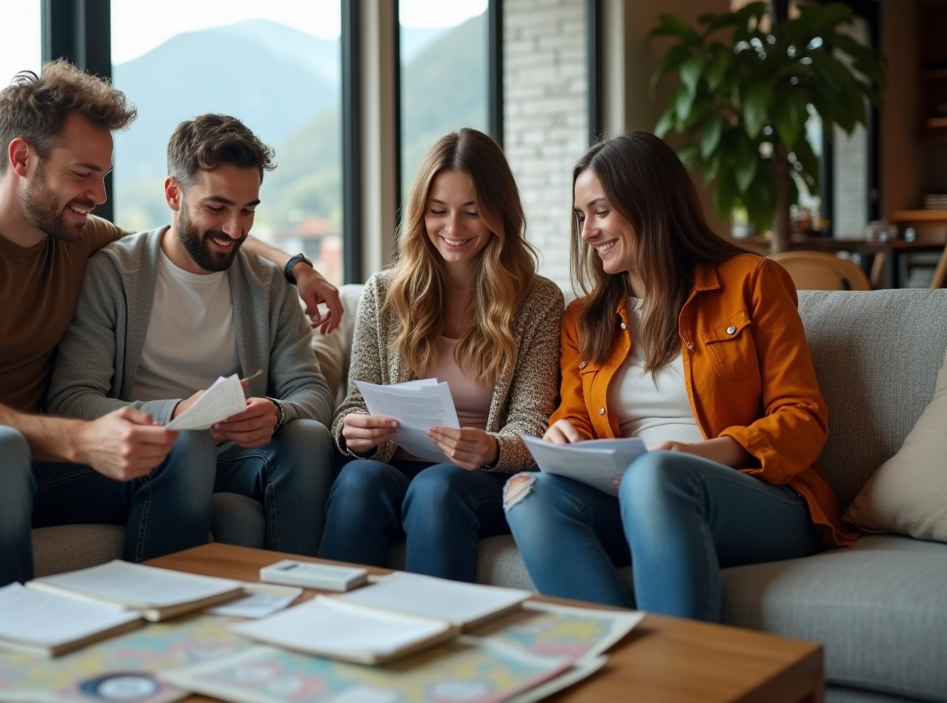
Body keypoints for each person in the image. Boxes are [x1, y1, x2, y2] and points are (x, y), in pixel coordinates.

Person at [0, 61, 343, 599]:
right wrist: (83, 438)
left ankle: (162, 634)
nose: (98, 193)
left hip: (33, 467)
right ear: (22, 158)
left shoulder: (76, 236)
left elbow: (203, 231)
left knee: (178, 446)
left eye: (103, 175)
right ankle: (14, 660)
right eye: (83, 174)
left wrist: (297, 268)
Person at [503, 130, 857, 622]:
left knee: (656, 473)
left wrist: (704, 454)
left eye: (601, 212)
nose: (587, 232)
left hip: (755, 495)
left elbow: (804, 418)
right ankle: (623, 666)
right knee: (527, 492)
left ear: (652, 203)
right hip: (630, 494)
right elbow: (577, 412)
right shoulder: (582, 319)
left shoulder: (753, 281)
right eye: (581, 217)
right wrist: (566, 431)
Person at [47, 114, 335, 558]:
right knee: (190, 441)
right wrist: (178, 414)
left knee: (309, 437)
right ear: (173, 194)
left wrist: (277, 412)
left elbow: (312, 391)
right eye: (216, 207)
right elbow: (72, 399)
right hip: (151, 457)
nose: (235, 229)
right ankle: (165, 609)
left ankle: (302, 597)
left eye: (248, 210)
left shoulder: (269, 284)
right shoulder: (115, 274)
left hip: (233, 458)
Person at [317, 128, 564, 581]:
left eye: (472, 212)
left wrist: (490, 447)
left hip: (481, 477)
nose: (453, 229)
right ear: (420, 214)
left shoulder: (538, 302)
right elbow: (355, 403)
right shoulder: (384, 293)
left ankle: (435, 632)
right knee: (356, 481)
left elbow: (532, 424)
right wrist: (351, 431)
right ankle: (331, 628)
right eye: (438, 212)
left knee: (437, 486)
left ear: (499, 213)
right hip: (395, 465)